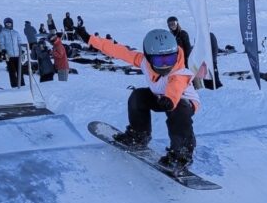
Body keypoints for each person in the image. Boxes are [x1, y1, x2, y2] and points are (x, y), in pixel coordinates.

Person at [85, 29, 201, 170]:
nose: (165, 65)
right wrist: (90, 39)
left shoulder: (179, 72)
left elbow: (175, 87)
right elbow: (119, 51)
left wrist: (170, 100)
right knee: (138, 96)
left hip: (183, 102)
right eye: (159, 60)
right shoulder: (144, 62)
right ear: (149, 57)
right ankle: (139, 135)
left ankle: (182, 153)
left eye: (169, 59)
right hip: (161, 98)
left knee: (178, 112)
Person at [0, 17, 25, 88]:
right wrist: (3, 50)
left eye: (9, 23)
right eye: (7, 23)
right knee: (12, 71)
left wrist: (21, 49)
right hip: (8, 55)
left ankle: (22, 84)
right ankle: (14, 85)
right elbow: (1, 43)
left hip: (17, 54)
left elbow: (19, 42)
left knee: (20, 70)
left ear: (12, 24)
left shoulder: (15, 33)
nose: (8, 25)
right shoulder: (2, 33)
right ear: (5, 24)